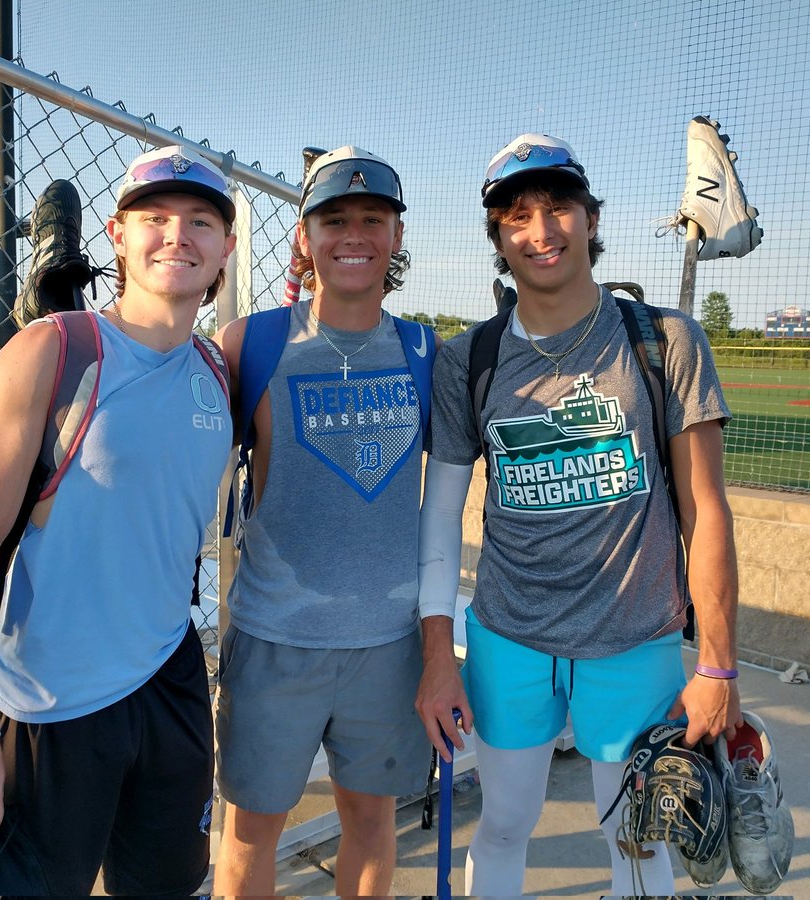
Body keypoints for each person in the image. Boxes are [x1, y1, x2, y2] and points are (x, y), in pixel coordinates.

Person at [414, 133, 744, 896]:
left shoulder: (663, 340)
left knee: (638, 845)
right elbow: (439, 520)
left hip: (633, 637)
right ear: (497, 237)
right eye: (517, 214)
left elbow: (708, 514)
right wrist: (438, 652)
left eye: (559, 206)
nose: (541, 229)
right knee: (502, 824)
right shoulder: (471, 360)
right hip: (509, 635)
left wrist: (720, 664)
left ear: (591, 218)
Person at [0, 144, 236, 895]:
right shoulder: (54, 351)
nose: (177, 235)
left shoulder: (217, 371)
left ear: (226, 248)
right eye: (154, 218)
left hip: (170, 678)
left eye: (200, 221)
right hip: (49, 702)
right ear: (117, 235)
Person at [213, 147, 438, 895]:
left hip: (386, 643)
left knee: (372, 823)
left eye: (372, 219)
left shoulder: (424, 351)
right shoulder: (254, 344)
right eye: (334, 218)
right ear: (305, 237)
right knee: (249, 837)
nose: (354, 234)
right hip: (277, 640)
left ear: (396, 237)